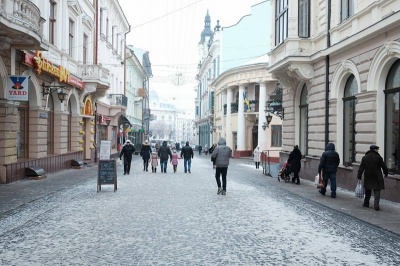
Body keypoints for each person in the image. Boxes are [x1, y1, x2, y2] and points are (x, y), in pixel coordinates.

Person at [357, 145, 388, 211]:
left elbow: (361, 168)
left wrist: (359, 175)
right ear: (374, 150)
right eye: (377, 149)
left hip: (368, 176)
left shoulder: (365, 157)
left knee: (368, 190)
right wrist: (386, 173)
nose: (377, 151)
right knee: (377, 191)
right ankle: (376, 205)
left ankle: (366, 203)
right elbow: (384, 166)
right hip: (377, 176)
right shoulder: (378, 157)